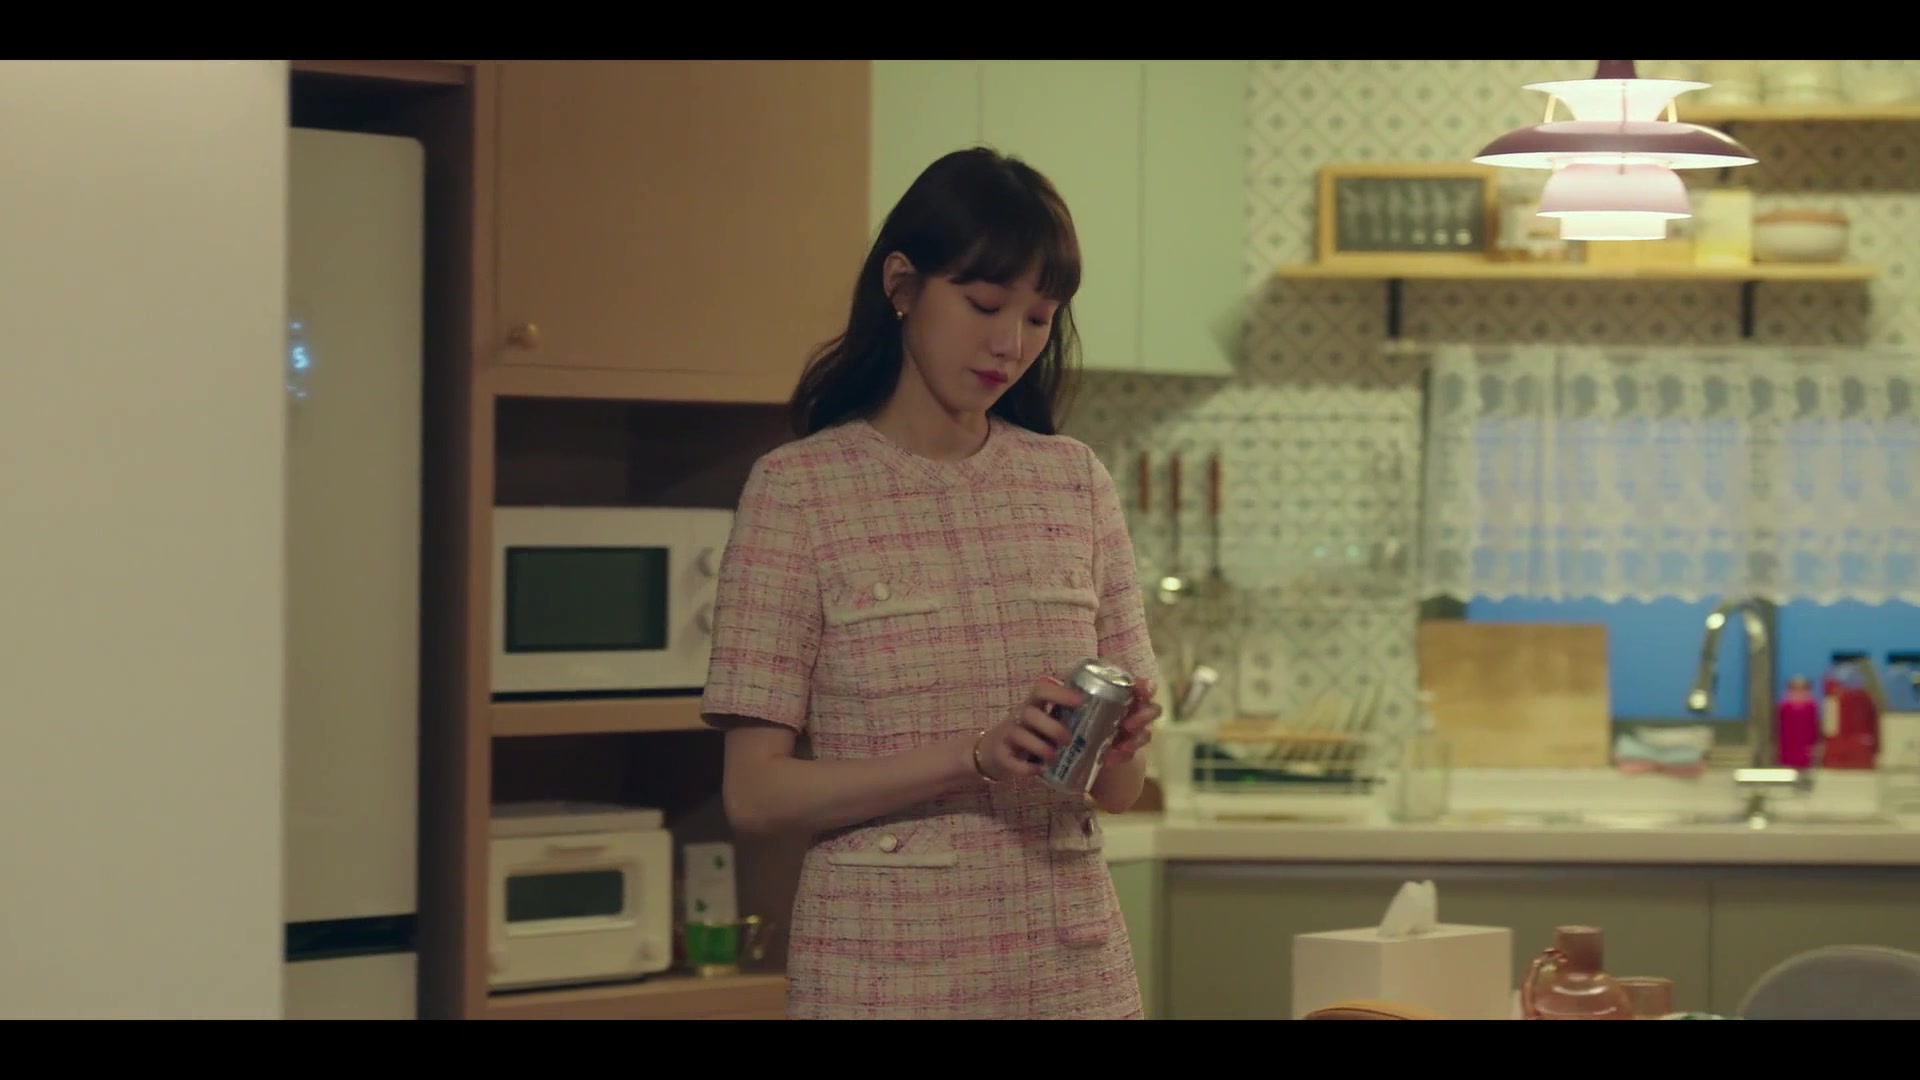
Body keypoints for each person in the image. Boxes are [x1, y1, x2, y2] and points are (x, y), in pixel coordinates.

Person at [700, 146, 1163, 1020]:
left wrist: (1124, 741)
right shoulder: (800, 492)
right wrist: (973, 757)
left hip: (1070, 971)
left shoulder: (1075, 482)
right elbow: (755, 795)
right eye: (984, 306)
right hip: (883, 976)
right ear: (902, 285)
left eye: (1038, 318)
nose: (1010, 345)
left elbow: (1119, 792)